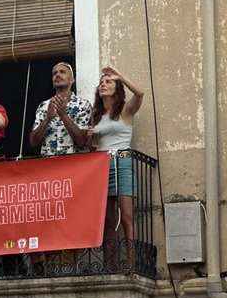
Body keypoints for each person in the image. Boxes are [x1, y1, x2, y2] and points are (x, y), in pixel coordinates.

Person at [87, 66, 145, 242]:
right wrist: (91, 137)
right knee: (107, 219)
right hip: (101, 166)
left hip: (121, 164)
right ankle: (109, 264)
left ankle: (131, 261)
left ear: (117, 88)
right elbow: (92, 147)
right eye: (101, 83)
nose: (103, 84)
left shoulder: (125, 110)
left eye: (108, 82)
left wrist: (120, 75)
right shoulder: (95, 115)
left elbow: (140, 93)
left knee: (126, 216)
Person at [30, 63, 92, 156]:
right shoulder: (43, 106)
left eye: (62, 72)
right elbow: (33, 142)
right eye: (55, 73)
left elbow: (82, 141)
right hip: (50, 165)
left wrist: (63, 115)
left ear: (72, 80)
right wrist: (47, 119)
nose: (57, 75)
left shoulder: (83, 105)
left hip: (76, 165)